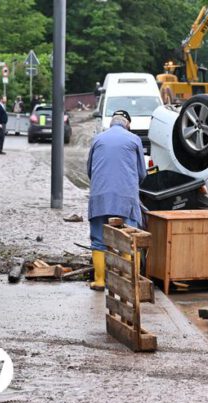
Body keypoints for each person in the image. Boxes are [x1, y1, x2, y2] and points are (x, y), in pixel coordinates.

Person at [86, 110, 147, 290]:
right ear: (127, 124)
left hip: (99, 198)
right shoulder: (134, 139)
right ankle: (127, 281)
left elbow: (90, 170)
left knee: (98, 239)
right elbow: (141, 173)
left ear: (111, 123)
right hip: (125, 198)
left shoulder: (97, 139)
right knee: (129, 239)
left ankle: (99, 281)